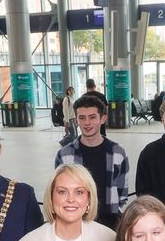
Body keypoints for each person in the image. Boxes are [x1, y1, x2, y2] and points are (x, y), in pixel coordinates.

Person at [55, 95, 130, 230]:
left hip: (110, 222)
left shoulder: (118, 153)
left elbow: (122, 191)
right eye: (82, 118)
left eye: (92, 117)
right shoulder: (65, 155)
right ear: (76, 120)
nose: (87, 123)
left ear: (103, 118)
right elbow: (60, 191)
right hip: (77, 220)